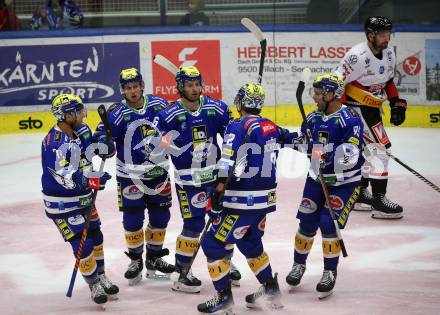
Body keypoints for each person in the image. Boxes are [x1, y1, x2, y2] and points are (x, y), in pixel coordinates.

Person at [197, 83, 300, 313]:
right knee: (249, 242)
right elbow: (294, 140)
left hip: (241, 201)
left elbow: (226, 160)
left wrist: (218, 191)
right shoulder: (270, 125)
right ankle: (270, 288)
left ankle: (223, 297)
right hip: (265, 200)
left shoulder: (237, 125)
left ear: (241, 102)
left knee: (212, 243)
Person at [154, 65, 241, 293]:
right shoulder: (168, 114)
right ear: (180, 87)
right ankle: (182, 272)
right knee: (193, 225)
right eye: (189, 85)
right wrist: (169, 147)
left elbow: (232, 136)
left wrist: (241, 129)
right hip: (188, 181)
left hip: (217, 178)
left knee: (224, 222)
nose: (194, 89)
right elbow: (155, 146)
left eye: (197, 84)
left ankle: (224, 263)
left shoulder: (216, 108)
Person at [93, 68, 175, 286]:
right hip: (129, 176)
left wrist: (168, 141)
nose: (133, 91)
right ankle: (136, 260)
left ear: (142, 86)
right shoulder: (117, 113)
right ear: (123, 90)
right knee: (133, 219)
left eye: (135, 86)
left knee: (160, 217)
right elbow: (101, 136)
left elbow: (174, 126)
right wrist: (105, 144)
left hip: (159, 174)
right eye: (128, 88)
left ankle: (154, 257)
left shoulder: (158, 104)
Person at [285, 74, 364, 299]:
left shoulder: (349, 119)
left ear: (332, 95)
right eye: (314, 92)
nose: (315, 97)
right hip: (316, 180)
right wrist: (287, 140)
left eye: (319, 93)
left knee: (328, 224)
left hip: (343, 183)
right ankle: (298, 265)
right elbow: (304, 143)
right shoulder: (312, 118)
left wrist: (325, 156)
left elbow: (349, 154)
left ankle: (330, 271)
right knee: (307, 222)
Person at [41, 93, 118, 305]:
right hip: (62, 203)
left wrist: (105, 144)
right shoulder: (53, 144)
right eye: (78, 111)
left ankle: (101, 275)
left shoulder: (81, 130)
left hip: (83, 199)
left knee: (96, 236)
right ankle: (93, 283)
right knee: (82, 246)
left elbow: (94, 146)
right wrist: (90, 180)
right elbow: (62, 177)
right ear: (66, 116)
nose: (83, 114)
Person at [334, 16, 407, 219]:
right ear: (370, 35)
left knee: (366, 152)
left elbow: (388, 81)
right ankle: (379, 199)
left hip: (372, 110)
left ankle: (359, 193)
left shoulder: (389, 53)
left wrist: (395, 102)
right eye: (383, 35)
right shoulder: (357, 56)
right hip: (356, 110)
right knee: (380, 151)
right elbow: (337, 82)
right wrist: (338, 113)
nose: (387, 38)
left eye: (388, 34)